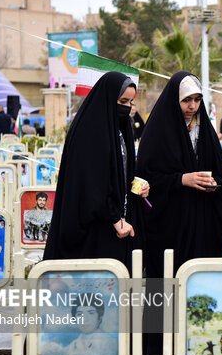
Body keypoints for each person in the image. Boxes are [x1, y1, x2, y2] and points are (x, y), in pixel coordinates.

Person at [136, 71, 222, 355]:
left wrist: (213, 185)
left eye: (197, 99)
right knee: (166, 280)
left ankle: (201, 346)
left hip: (201, 223)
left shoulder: (205, 132)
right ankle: (159, 348)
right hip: (169, 225)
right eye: (186, 100)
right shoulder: (158, 132)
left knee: (199, 283)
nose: (192, 106)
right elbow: (144, 179)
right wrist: (181, 180)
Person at [43, 72, 149, 270]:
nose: (127, 108)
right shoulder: (89, 131)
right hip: (93, 227)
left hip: (117, 223)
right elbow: (91, 185)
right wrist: (115, 219)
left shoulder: (119, 127)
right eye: (122, 101)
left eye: (130, 102)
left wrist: (136, 185)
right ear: (109, 99)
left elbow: (120, 172)